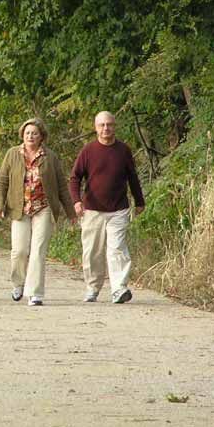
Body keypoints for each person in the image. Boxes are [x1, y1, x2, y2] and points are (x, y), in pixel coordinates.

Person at [0, 118, 75, 306]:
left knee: (38, 250)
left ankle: (35, 292)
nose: (30, 136)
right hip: (19, 207)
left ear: (41, 137)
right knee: (20, 250)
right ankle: (18, 283)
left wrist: (71, 212)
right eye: (27, 133)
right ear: (22, 135)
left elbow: (62, 185)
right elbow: (2, 181)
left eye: (34, 133)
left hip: (43, 207)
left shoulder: (50, 157)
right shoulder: (12, 154)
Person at [69, 111, 145, 304]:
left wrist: (139, 201)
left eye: (109, 124)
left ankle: (119, 288)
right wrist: (77, 201)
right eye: (102, 125)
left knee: (117, 248)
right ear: (95, 128)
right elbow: (75, 178)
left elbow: (132, 177)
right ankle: (92, 287)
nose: (106, 128)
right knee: (92, 251)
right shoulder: (88, 151)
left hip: (118, 209)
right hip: (92, 209)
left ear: (114, 126)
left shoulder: (123, 150)